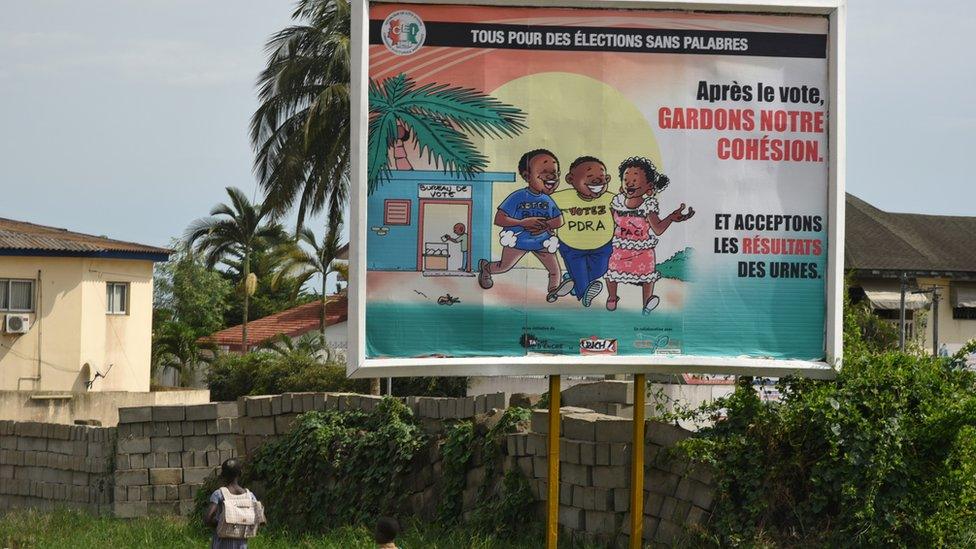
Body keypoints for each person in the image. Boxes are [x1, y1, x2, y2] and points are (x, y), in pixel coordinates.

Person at [478, 148, 573, 302]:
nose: (552, 176)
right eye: (544, 171)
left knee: (555, 270)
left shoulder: (548, 200)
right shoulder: (517, 196)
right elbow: (499, 219)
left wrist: (545, 225)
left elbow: (559, 220)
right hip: (518, 242)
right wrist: (522, 223)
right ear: (527, 176)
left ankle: (553, 291)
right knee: (504, 267)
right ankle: (486, 268)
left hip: (542, 242)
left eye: (555, 172)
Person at [605, 157, 694, 314]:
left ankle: (647, 303)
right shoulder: (617, 202)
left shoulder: (648, 206)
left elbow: (658, 229)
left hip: (642, 251)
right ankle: (612, 297)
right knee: (612, 273)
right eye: (626, 179)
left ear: (649, 187)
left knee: (647, 277)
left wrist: (671, 218)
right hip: (620, 249)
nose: (629, 183)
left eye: (634, 180)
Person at [552, 156, 615, 307]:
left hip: (603, 245)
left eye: (601, 177)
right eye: (590, 177)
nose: (597, 181)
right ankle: (583, 295)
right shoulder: (560, 198)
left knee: (601, 270)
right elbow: (545, 209)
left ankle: (572, 281)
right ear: (570, 179)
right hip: (571, 246)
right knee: (580, 275)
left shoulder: (611, 199)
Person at [205, 458, 261, 549]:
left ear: (222, 475)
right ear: (240, 474)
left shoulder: (219, 494)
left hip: (221, 544)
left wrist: (221, 524)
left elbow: (208, 518)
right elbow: (261, 519)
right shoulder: (249, 496)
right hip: (241, 544)